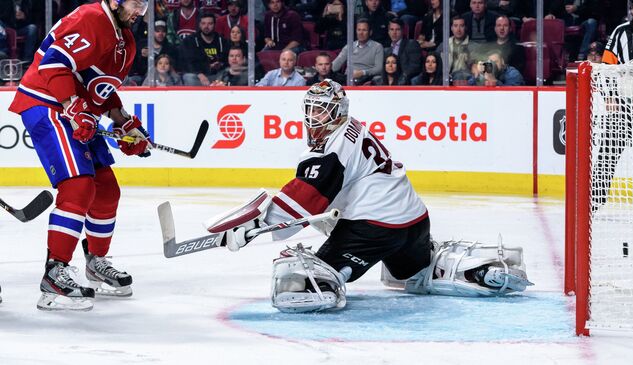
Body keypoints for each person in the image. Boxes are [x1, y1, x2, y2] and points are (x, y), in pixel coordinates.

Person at [209, 79, 532, 313]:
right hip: (413, 222)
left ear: (337, 112)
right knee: (414, 274)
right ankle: (473, 272)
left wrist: (255, 227)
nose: (312, 118)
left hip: (374, 230)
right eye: (310, 109)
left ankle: (326, 279)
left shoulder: (332, 147)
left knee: (301, 282)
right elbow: (331, 196)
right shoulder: (354, 127)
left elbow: (305, 199)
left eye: (321, 111)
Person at [7, 0, 151, 311]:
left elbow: (99, 88)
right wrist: (74, 107)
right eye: (136, 3)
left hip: (71, 107)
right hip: (45, 102)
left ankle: (95, 262)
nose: (141, 11)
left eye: (145, 5)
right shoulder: (92, 18)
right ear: (115, 1)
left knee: (107, 189)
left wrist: (124, 122)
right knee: (78, 186)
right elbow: (54, 62)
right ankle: (55, 273)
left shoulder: (124, 41)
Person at [593, 0, 633, 209]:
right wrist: (609, 96)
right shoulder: (621, 32)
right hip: (624, 100)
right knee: (609, 149)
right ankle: (595, 200)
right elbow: (606, 66)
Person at [181, 13, 229, 86]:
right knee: (188, 77)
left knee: (228, 75)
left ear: (215, 25)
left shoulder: (222, 41)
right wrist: (200, 73)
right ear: (199, 25)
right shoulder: (190, 41)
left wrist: (220, 65)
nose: (206, 26)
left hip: (217, 76)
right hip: (199, 77)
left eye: (210, 24)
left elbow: (227, 61)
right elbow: (188, 63)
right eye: (203, 23)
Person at [332, 19, 384, 85]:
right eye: (359, 30)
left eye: (364, 30)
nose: (361, 33)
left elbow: (379, 69)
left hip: (367, 80)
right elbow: (335, 65)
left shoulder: (377, 47)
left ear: (370, 32)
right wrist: (324, 67)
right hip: (348, 80)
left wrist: (362, 72)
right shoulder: (349, 47)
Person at [129, 19, 179, 86]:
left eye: (163, 31)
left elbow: (173, 68)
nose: (160, 33)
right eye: (157, 31)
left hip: (164, 78)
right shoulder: (141, 45)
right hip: (142, 76)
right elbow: (134, 67)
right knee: (132, 80)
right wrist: (141, 57)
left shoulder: (170, 48)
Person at [385, 18, 421, 84]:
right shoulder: (387, 50)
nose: (394, 32)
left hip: (405, 80)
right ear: (388, 32)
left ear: (403, 31)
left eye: (397, 29)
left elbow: (415, 66)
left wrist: (402, 77)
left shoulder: (411, 44)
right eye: (391, 29)